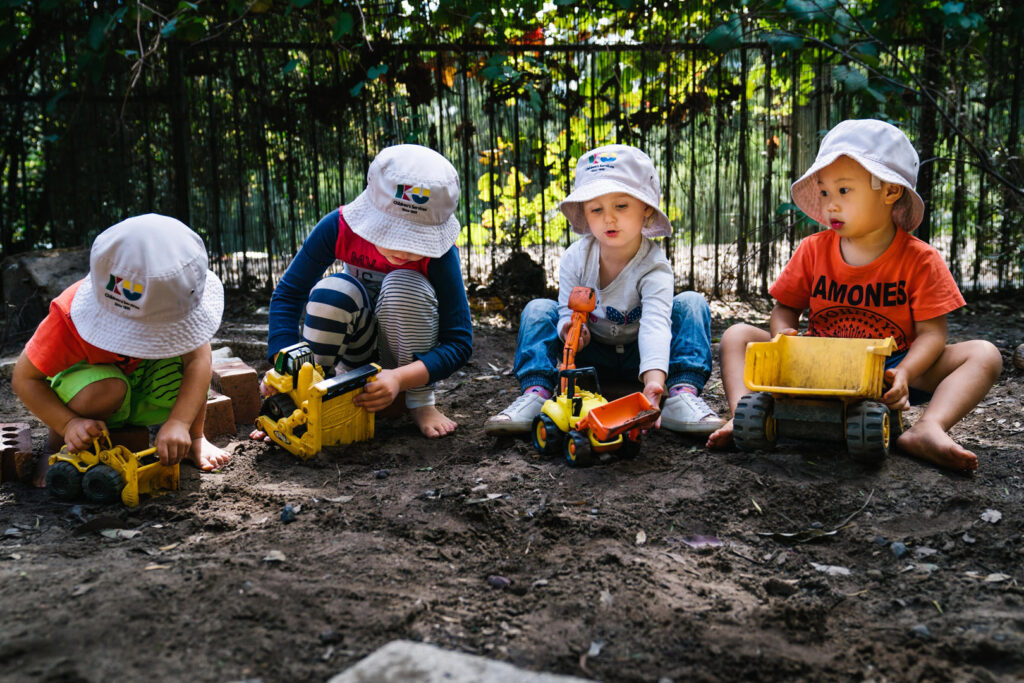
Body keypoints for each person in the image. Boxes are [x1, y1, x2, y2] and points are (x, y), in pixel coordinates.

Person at [706, 119, 1003, 471]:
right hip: (816, 366)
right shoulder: (813, 250)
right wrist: (782, 334)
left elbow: (933, 334)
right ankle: (741, 414)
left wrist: (905, 372)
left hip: (888, 370)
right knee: (738, 335)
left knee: (984, 354)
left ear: (890, 191)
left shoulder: (921, 259)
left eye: (844, 191)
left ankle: (928, 428)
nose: (830, 204)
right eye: (825, 192)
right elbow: (785, 310)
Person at [484, 144, 723, 436]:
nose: (609, 218)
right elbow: (564, 312)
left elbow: (655, 324)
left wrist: (653, 380)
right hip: (591, 356)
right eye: (597, 209)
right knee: (537, 310)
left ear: (645, 207)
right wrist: (569, 331)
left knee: (690, 304)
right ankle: (538, 394)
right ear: (585, 212)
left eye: (621, 206)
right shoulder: (576, 257)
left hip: (641, 354)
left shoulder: (654, 265)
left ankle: (681, 394)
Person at [256, 144, 472, 439]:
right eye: (393, 233)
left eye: (415, 240)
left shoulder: (442, 257)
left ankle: (420, 402)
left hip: (406, 358)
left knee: (404, 284)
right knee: (333, 289)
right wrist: (286, 368)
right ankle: (308, 396)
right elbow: (289, 294)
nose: (402, 249)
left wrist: (399, 378)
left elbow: (458, 341)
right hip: (357, 347)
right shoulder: (339, 227)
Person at [12, 214, 232, 487]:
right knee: (107, 389)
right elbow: (24, 378)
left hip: (144, 378)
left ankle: (195, 439)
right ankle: (55, 449)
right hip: (92, 387)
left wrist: (180, 423)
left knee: (195, 365)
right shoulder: (67, 317)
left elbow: (198, 359)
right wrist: (68, 424)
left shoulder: (177, 297)